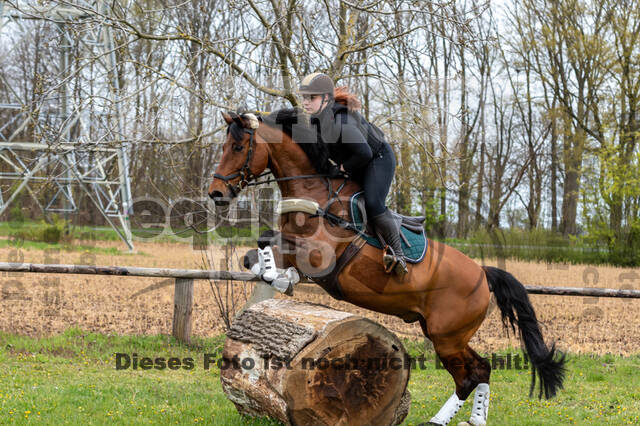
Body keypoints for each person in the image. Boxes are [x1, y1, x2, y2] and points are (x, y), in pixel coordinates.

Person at [298, 72, 407, 276]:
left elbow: (364, 153)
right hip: (357, 160)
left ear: (326, 98)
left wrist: (340, 169)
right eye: (304, 97)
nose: (306, 102)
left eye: (311, 98)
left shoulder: (342, 122)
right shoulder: (316, 122)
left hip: (377, 159)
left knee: (374, 203)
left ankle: (399, 255)